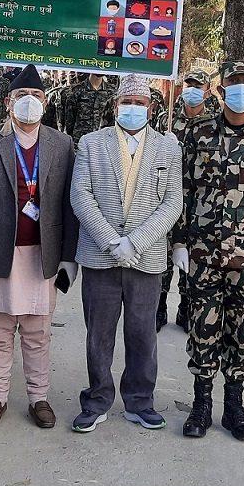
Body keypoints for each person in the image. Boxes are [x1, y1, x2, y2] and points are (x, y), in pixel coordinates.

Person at [0, 64, 79, 430]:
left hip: (42, 254)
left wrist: (69, 257)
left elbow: (69, 205)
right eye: (22, 95)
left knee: (38, 332)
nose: (30, 101)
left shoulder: (61, 144)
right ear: (8, 102)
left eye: (36, 95)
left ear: (46, 102)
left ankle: (39, 397)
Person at [172, 60, 244, 441]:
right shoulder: (198, 133)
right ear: (221, 90)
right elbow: (183, 191)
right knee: (203, 330)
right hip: (203, 255)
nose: (241, 89)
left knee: (242, 334)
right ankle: (202, 404)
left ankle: (234, 407)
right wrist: (178, 241)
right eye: (233, 82)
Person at [69, 74, 183, 433]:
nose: (133, 108)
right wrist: (111, 241)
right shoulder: (91, 143)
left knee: (143, 334)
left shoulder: (168, 148)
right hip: (100, 255)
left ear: (150, 107)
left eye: (140, 103)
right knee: (98, 334)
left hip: (145, 258)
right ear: (115, 105)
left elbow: (172, 203)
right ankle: (97, 399)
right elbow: (81, 196)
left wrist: (135, 242)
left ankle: (139, 401)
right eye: (126, 102)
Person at [160, 69, 221, 332]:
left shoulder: (214, 123)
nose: (193, 90)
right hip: (166, 194)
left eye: (198, 86)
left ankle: (186, 308)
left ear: (207, 91)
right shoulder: (166, 119)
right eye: (189, 85)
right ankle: (159, 306)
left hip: (197, 199)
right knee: (164, 255)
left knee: (191, 256)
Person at [61, 73, 117, 145]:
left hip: (103, 142)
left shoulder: (112, 92)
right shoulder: (76, 91)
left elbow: (113, 120)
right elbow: (69, 121)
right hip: (80, 142)